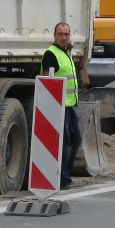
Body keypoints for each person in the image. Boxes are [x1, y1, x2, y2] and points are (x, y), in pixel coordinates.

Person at [41, 21, 81, 188]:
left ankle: (65, 175)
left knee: (75, 140)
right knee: (65, 143)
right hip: (58, 105)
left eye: (66, 34)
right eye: (61, 34)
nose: (64, 37)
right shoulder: (51, 54)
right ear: (54, 36)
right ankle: (62, 178)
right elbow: (47, 80)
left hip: (69, 104)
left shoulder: (66, 54)